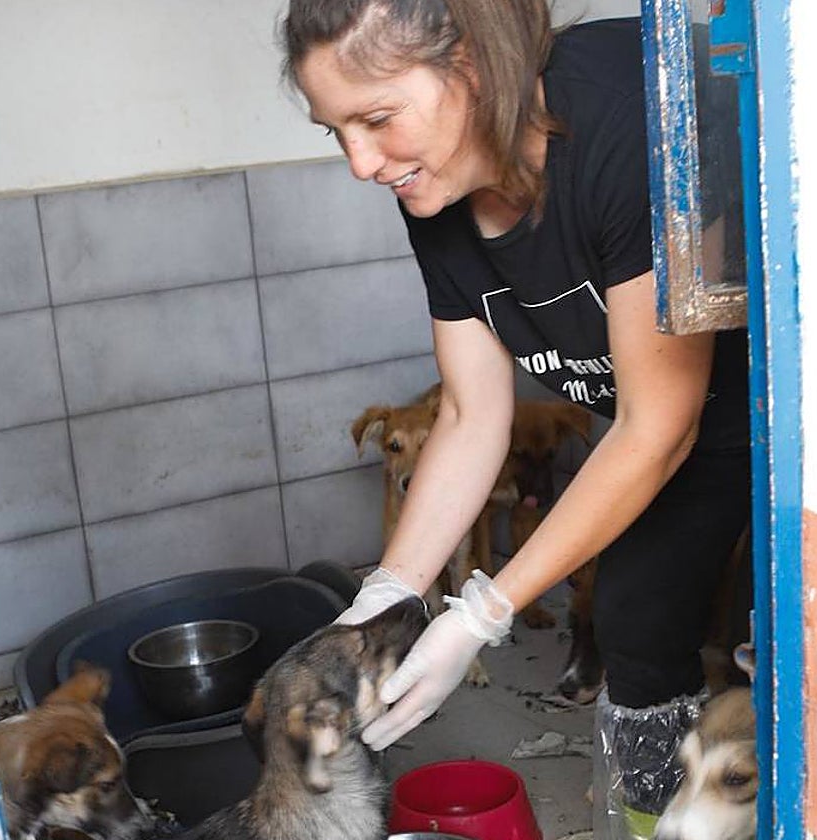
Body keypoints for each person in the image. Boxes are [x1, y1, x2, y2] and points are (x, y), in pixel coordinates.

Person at [279, 1, 751, 835]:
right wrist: (389, 594)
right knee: (635, 625)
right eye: (337, 131)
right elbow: (470, 412)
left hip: (787, 415)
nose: (360, 162)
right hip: (672, 427)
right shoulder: (435, 186)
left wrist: (480, 615)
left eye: (377, 119)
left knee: (784, 639)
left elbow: (656, 425)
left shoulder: (629, 123)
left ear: (472, 66)